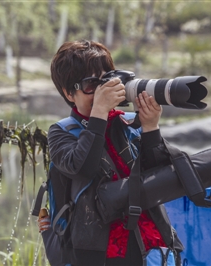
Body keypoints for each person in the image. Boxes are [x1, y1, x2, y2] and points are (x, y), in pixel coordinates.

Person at [43, 40, 184, 266]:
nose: (102, 90)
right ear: (69, 93)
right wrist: (98, 112)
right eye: (91, 84)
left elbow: (159, 175)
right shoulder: (61, 132)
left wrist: (150, 128)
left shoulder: (127, 123)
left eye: (107, 79)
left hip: (149, 246)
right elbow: (83, 168)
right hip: (99, 252)